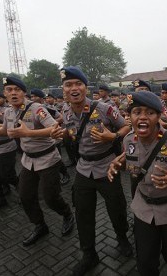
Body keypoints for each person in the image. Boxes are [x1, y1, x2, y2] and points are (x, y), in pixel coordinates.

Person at [108, 91, 167, 276]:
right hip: (143, 210)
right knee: (145, 261)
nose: (143, 117)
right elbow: (132, 161)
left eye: (150, 112)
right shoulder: (128, 140)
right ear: (130, 116)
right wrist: (118, 165)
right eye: (137, 112)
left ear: (159, 117)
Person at [50, 66, 132, 275]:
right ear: (63, 89)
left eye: (78, 84)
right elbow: (71, 134)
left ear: (86, 87)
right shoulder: (66, 112)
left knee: (117, 208)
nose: (73, 88)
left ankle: (122, 238)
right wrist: (62, 135)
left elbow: (125, 127)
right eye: (68, 85)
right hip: (83, 170)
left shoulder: (103, 108)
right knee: (83, 213)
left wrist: (112, 137)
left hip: (107, 167)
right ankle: (89, 254)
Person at [0, 76, 74, 246]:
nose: (13, 93)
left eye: (17, 90)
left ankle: (67, 214)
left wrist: (28, 133)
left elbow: (54, 128)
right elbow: (7, 131)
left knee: (50, 198)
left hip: (48, 158)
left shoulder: (36, 108)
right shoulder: (8, 112)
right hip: (28, 160)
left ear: (23, 92)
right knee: (25, 196)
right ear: (5, 93)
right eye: (9, 90)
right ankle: (40, 225)